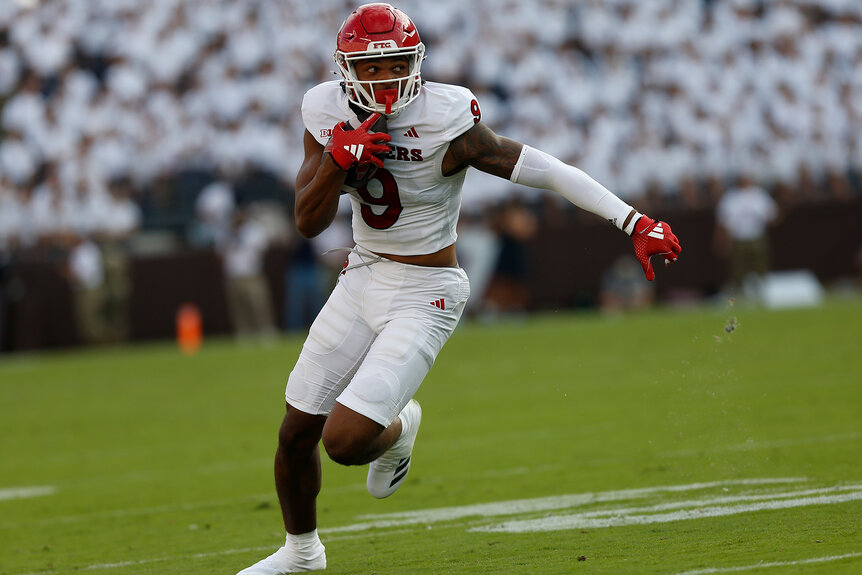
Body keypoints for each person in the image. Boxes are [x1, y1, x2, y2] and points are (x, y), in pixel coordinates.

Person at [237, 4, 682, 574]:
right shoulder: (323, 109)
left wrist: (633, 221)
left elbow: (541, 168)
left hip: (427, 290)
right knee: (296, 431)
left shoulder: (446, 117)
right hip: (362, 275)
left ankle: (398, 431)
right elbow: (306, 221)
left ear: (416, 63)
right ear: (346, 71)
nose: (384, 80)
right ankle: (302, 555)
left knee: (344, 442)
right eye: (370, 70)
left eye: (395, 64)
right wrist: (335, 161)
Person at [713, 173, 778, 299]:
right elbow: (723, 221)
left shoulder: (759, 195)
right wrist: (721, 240)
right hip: (738, 239)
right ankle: (740, 294)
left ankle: (761, 293)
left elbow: (772, 216)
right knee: (738, 269)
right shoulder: (731, 197)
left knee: (760, 266)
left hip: (757, 237)